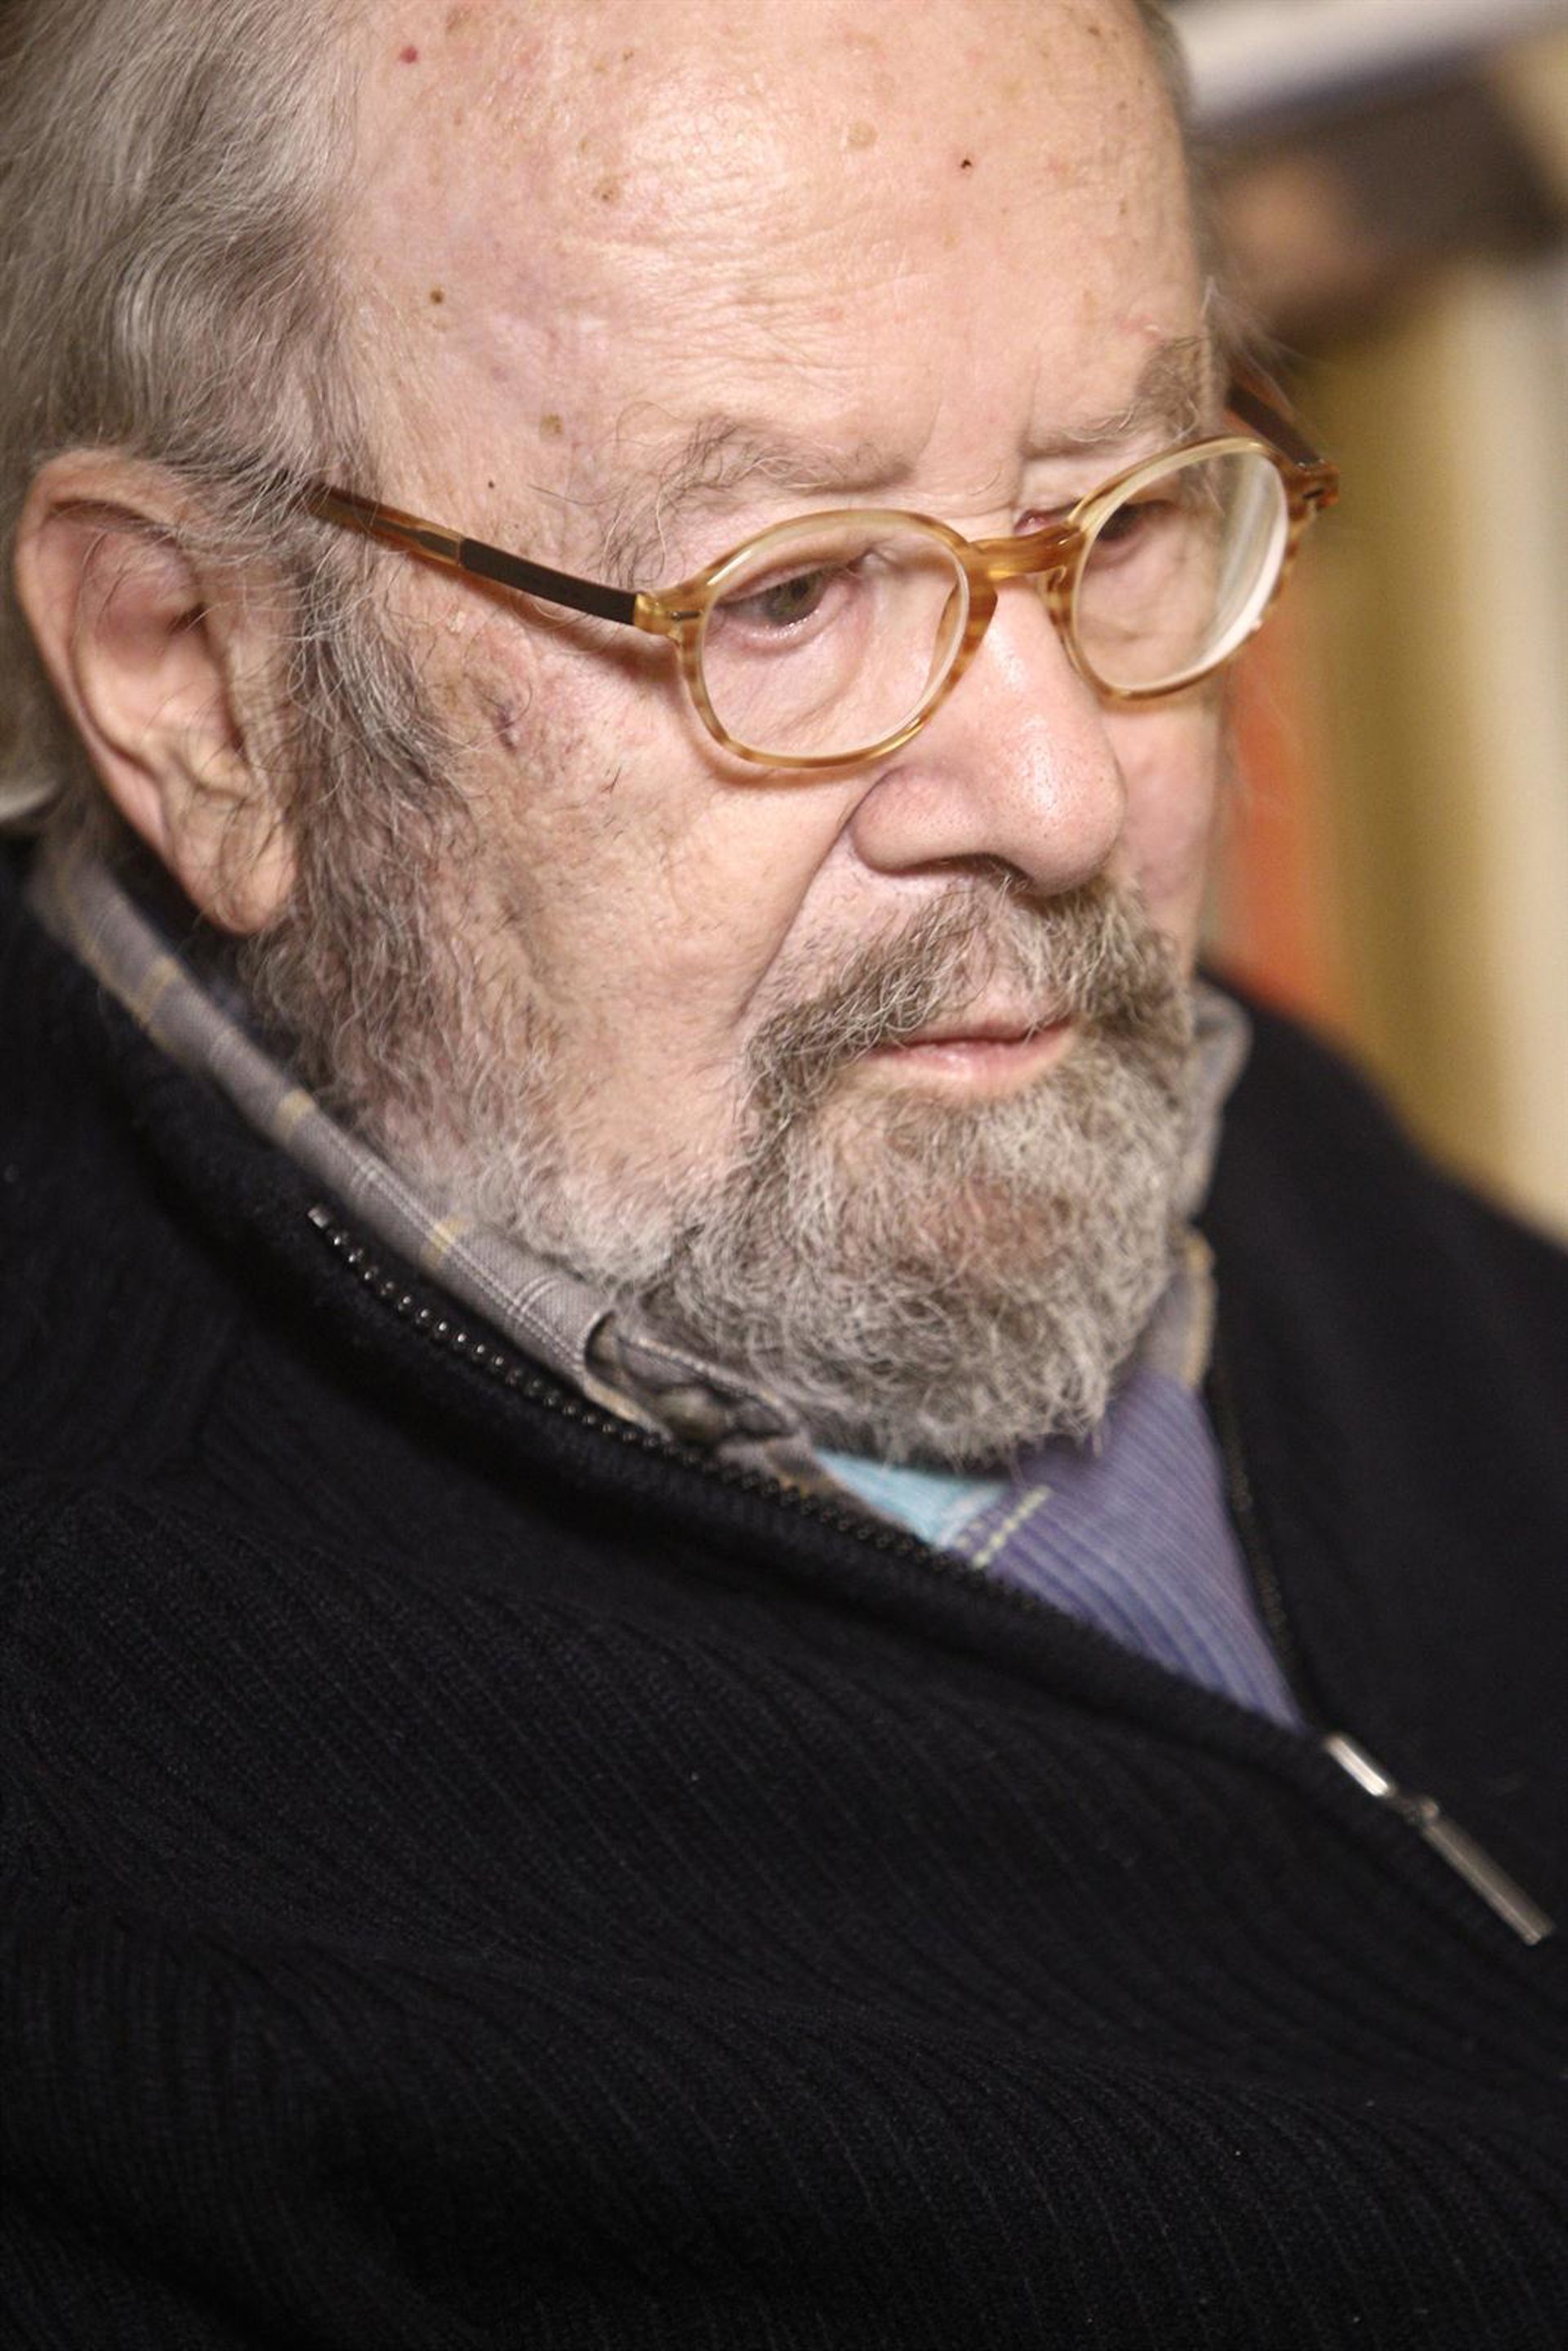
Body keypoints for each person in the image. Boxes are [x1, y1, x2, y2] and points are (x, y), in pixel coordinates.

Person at [2, 0, 1565, 2341]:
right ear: (196, 678)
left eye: (1123, 515)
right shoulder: (128, 1969)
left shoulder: (1210, 1127)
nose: (1069, 799)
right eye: (786, 595)